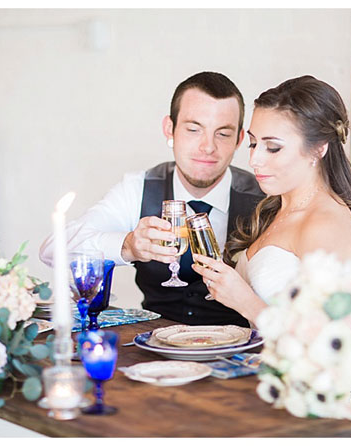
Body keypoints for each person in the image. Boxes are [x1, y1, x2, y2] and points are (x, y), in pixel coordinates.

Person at [39, 71, 265, 327]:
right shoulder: (138, 188)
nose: (208, 147)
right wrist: (128, 246)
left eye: (222, 134)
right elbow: (53, 249)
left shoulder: (265, 198)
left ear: (239, 139)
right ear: (170, 129)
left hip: (240, 344)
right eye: (194, 129)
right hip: (152, 343)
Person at [191, 75, 351, 325]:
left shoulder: (325, 224)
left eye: (273, 148)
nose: (254, 160)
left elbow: (331, 337)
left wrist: (244, 301)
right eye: (253, 144)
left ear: (319, 148)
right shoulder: (276, 208)